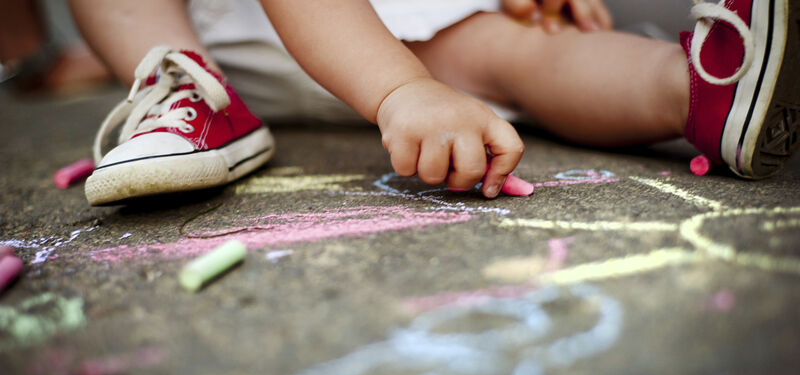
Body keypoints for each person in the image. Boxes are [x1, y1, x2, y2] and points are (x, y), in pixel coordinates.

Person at [68, 0, 799, 206]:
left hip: (396, 20)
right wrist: (401, 89)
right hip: (220, 24)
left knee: (523, 47)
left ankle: (706, 92)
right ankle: (177, 82)